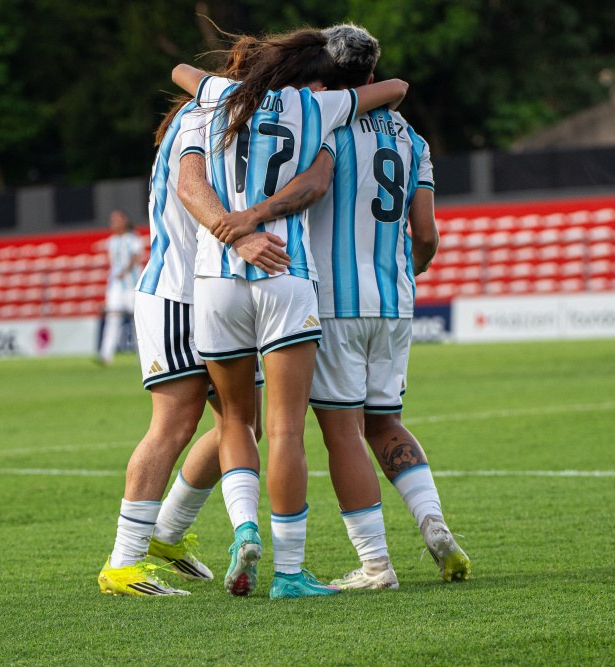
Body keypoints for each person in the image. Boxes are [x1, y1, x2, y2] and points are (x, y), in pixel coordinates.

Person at [213, 23, 469, 587]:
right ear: (371, 74)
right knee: (388, 423)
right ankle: (433, 522)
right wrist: (405, 274)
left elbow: (315, 186)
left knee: (343, 434)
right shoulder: (412, 139)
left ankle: (376, 564)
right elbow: (424, 234)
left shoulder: (323, 122)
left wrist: (253, 217)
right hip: (394, 302)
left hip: (332, 302)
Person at [174, 29, 409, 599]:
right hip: (287, 273)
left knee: (233, 420)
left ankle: (244, 528)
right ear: (316, 74)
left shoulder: (221, 99)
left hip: (217, 278)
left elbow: (182, 72)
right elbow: (396, 88)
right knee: (285, 430)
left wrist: (230, 83)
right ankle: (289, 574)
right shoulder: (320, 104)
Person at [97, 42, 283, 597]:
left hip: (214, 293)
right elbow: (192, 188)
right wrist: (243, 234)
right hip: (177, 293)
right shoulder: (202, 119)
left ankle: (168, 536)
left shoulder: (225, 117)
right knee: (175, 422)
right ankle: (123, 563)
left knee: (242, 423)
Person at [97, 210, 144, 366]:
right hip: (116, 287)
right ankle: (105, 355)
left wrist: (125, 271)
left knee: (137, 321)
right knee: (113, 318)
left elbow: (136, 258)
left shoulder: (134, 238)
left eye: (117, 220)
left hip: (132, 285)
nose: (114, 224)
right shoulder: (111, 241)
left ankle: (143, 355)